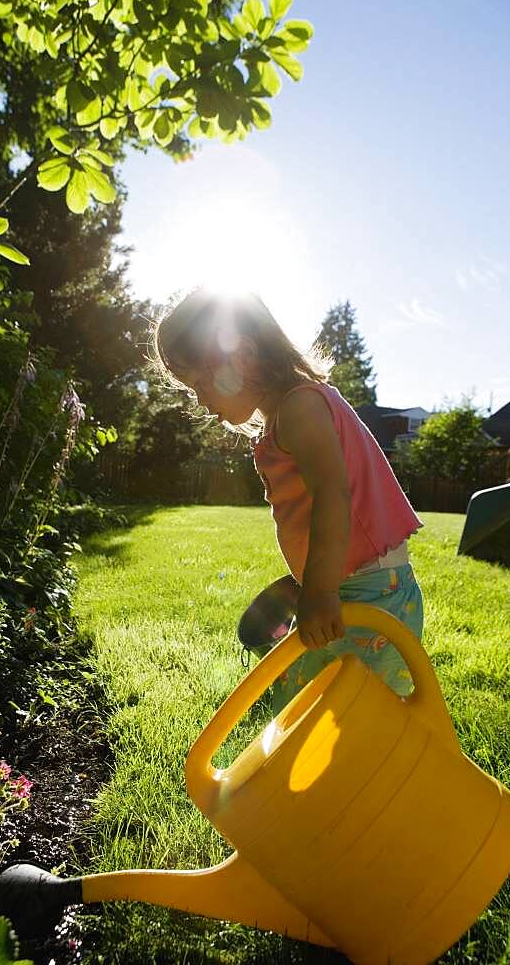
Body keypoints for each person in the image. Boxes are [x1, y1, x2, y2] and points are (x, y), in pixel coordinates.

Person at [153, 288, 424, 713]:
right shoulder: (287, 413)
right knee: (311, 700)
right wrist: (308, 584)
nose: (200, 400)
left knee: (337, 713)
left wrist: (319, 590)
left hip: (370, 594)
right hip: (355, 586)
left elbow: (333, 497)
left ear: (241, 355)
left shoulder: (301, 408)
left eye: (200, 383)